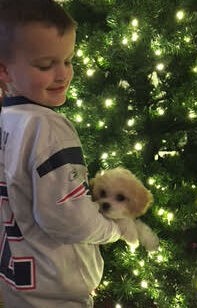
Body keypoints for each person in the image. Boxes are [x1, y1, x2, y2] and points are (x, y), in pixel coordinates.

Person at [0, 1, 129, 307]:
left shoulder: (7, 120)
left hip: (15, 284)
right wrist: (115, 229)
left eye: (68, 61)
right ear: (4, 69)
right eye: (45, 65)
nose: (62, 75)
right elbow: (68, 221)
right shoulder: (47, 127)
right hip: (57, 291)